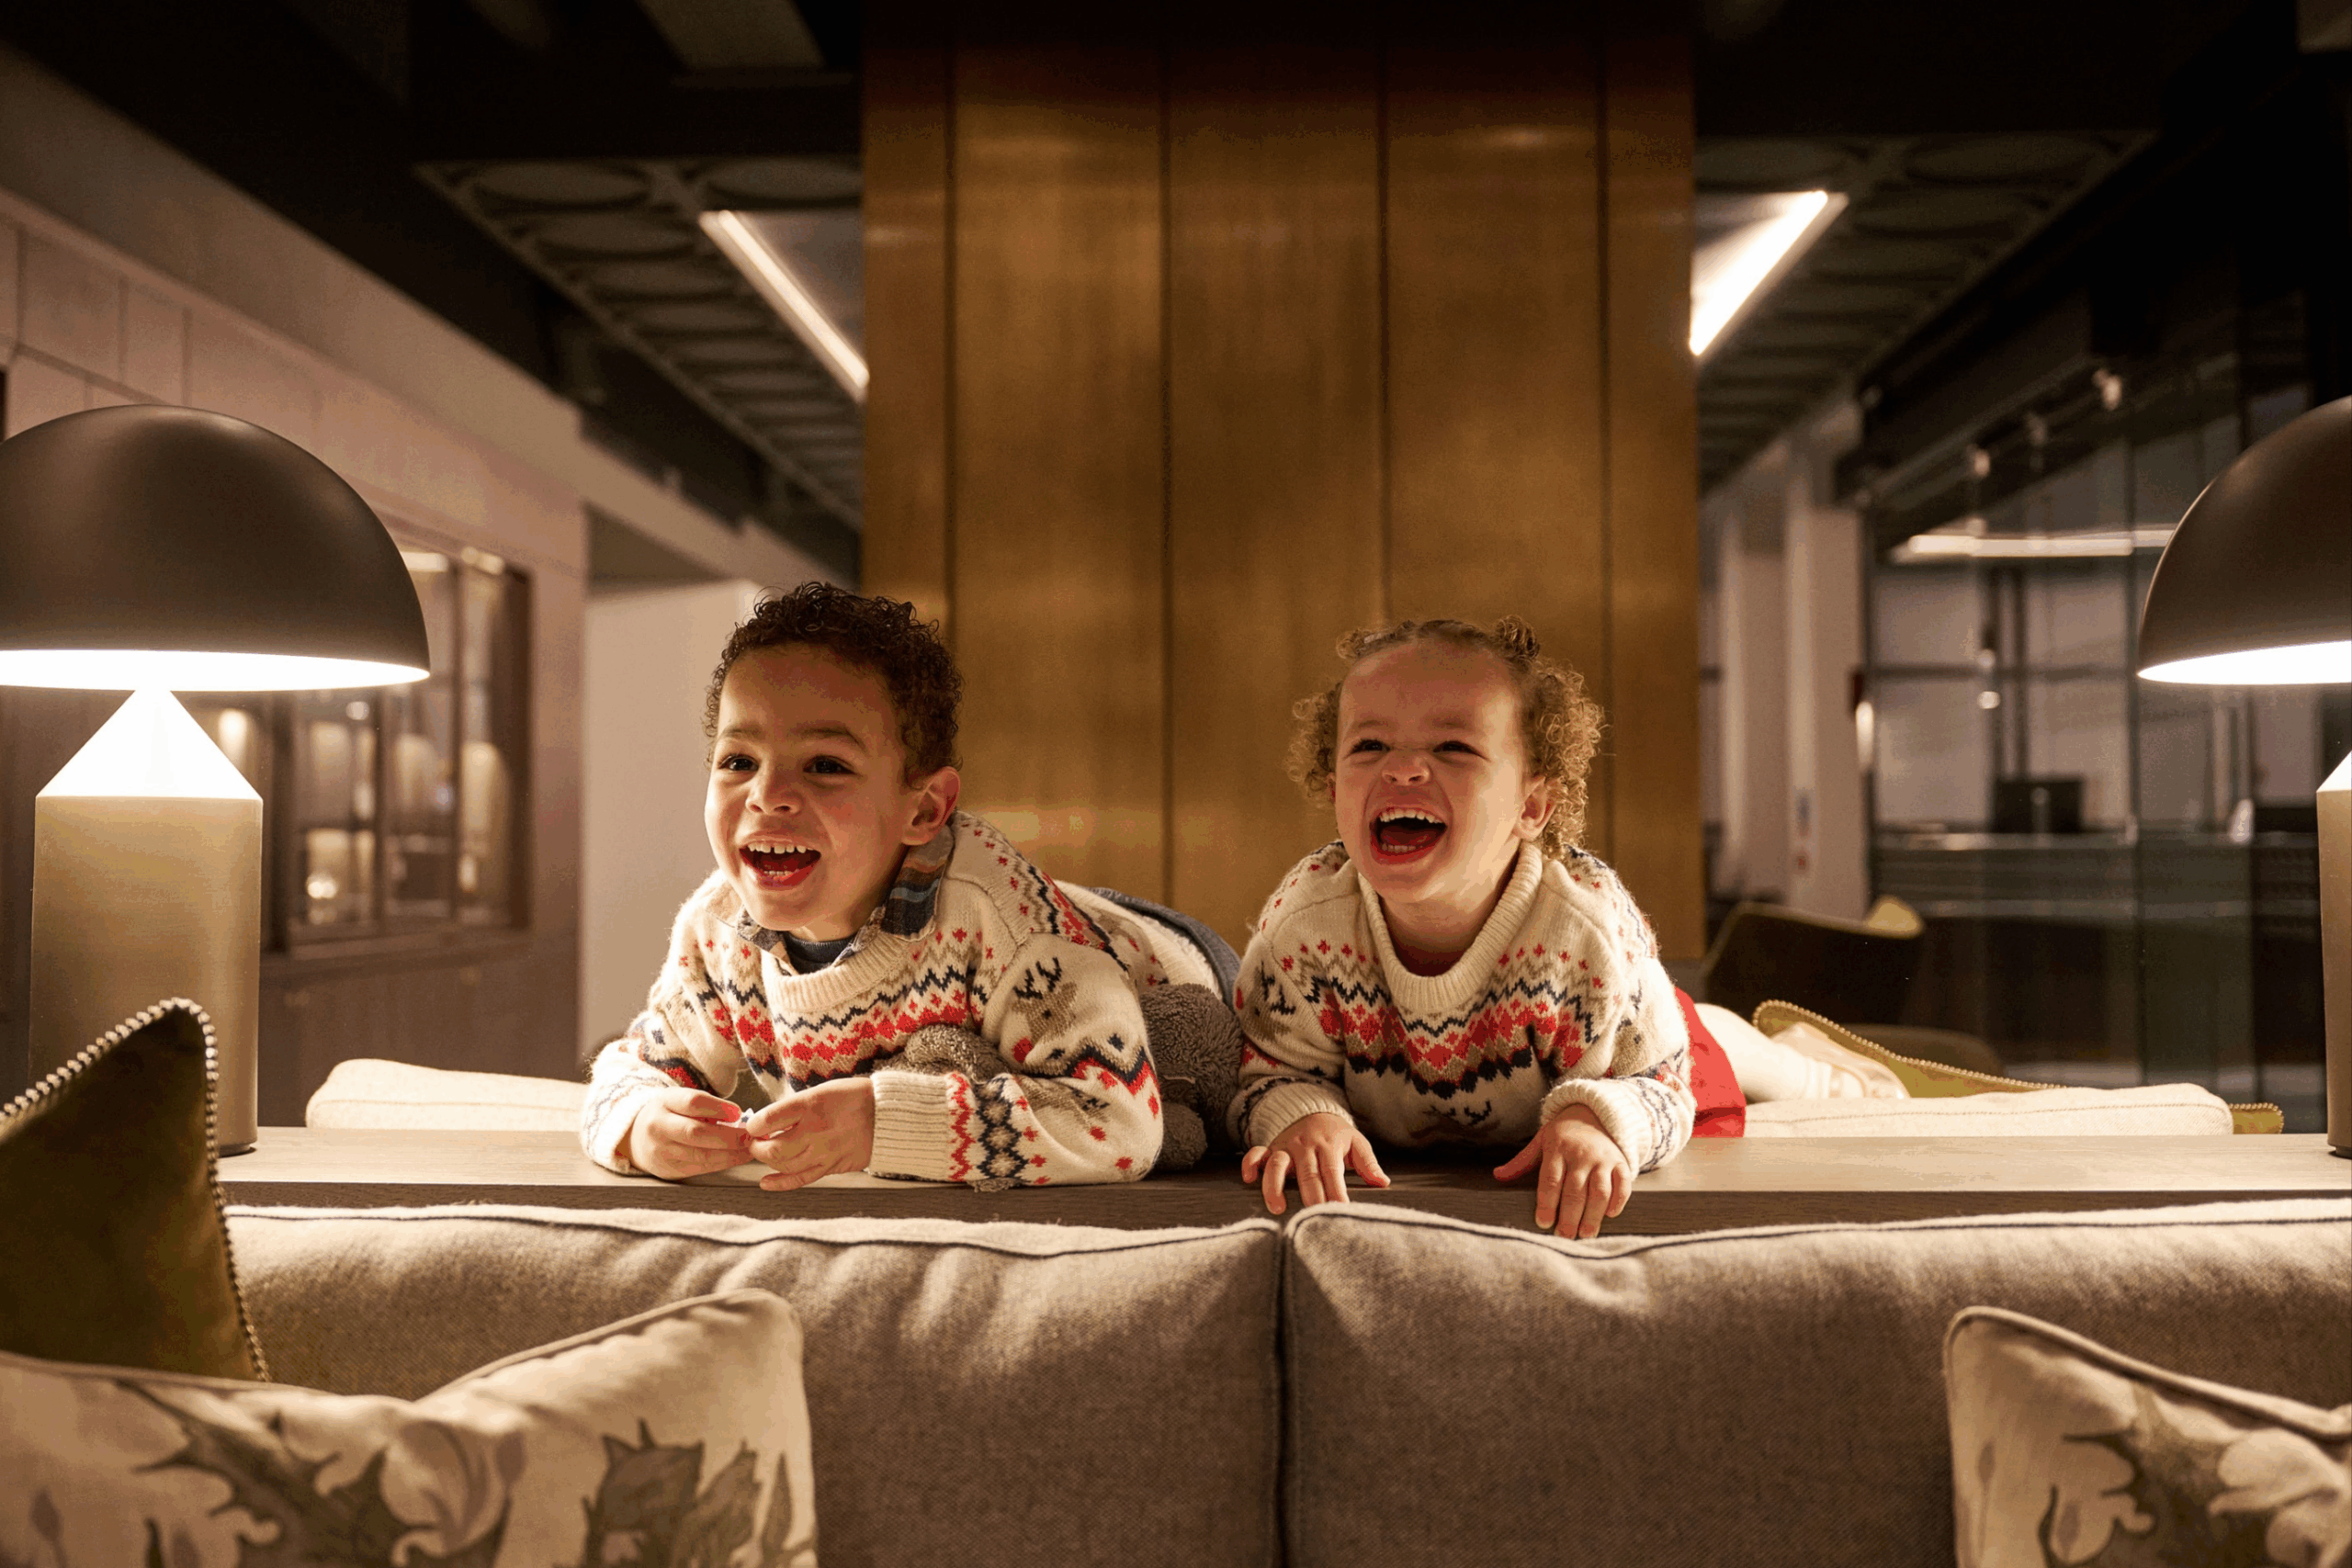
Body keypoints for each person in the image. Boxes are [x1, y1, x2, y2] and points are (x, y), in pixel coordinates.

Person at [580, 582, 1169, 1190]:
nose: (766, 794)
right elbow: (632, 1069)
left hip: (1159, 967)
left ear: (924, 809)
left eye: (825, 765)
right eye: (739, 760)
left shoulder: (1005, 928)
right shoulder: (718, 929)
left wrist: (883, 1123)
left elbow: (1120, 1121)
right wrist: (639, 1121)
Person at [1229, 615, 1695, 1236]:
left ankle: (1807, 1057)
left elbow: (1664, 1085)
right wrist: (1299, 1115)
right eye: (1369, 746)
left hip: (1626, 1032)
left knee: (1727, 1058)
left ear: (1531, 806)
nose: (1403, 770)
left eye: (1453, 748)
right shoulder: (1305, 928)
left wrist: (1595, 1119)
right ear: (1332, 780)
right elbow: (1261, 1070)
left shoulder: (1584, 936)